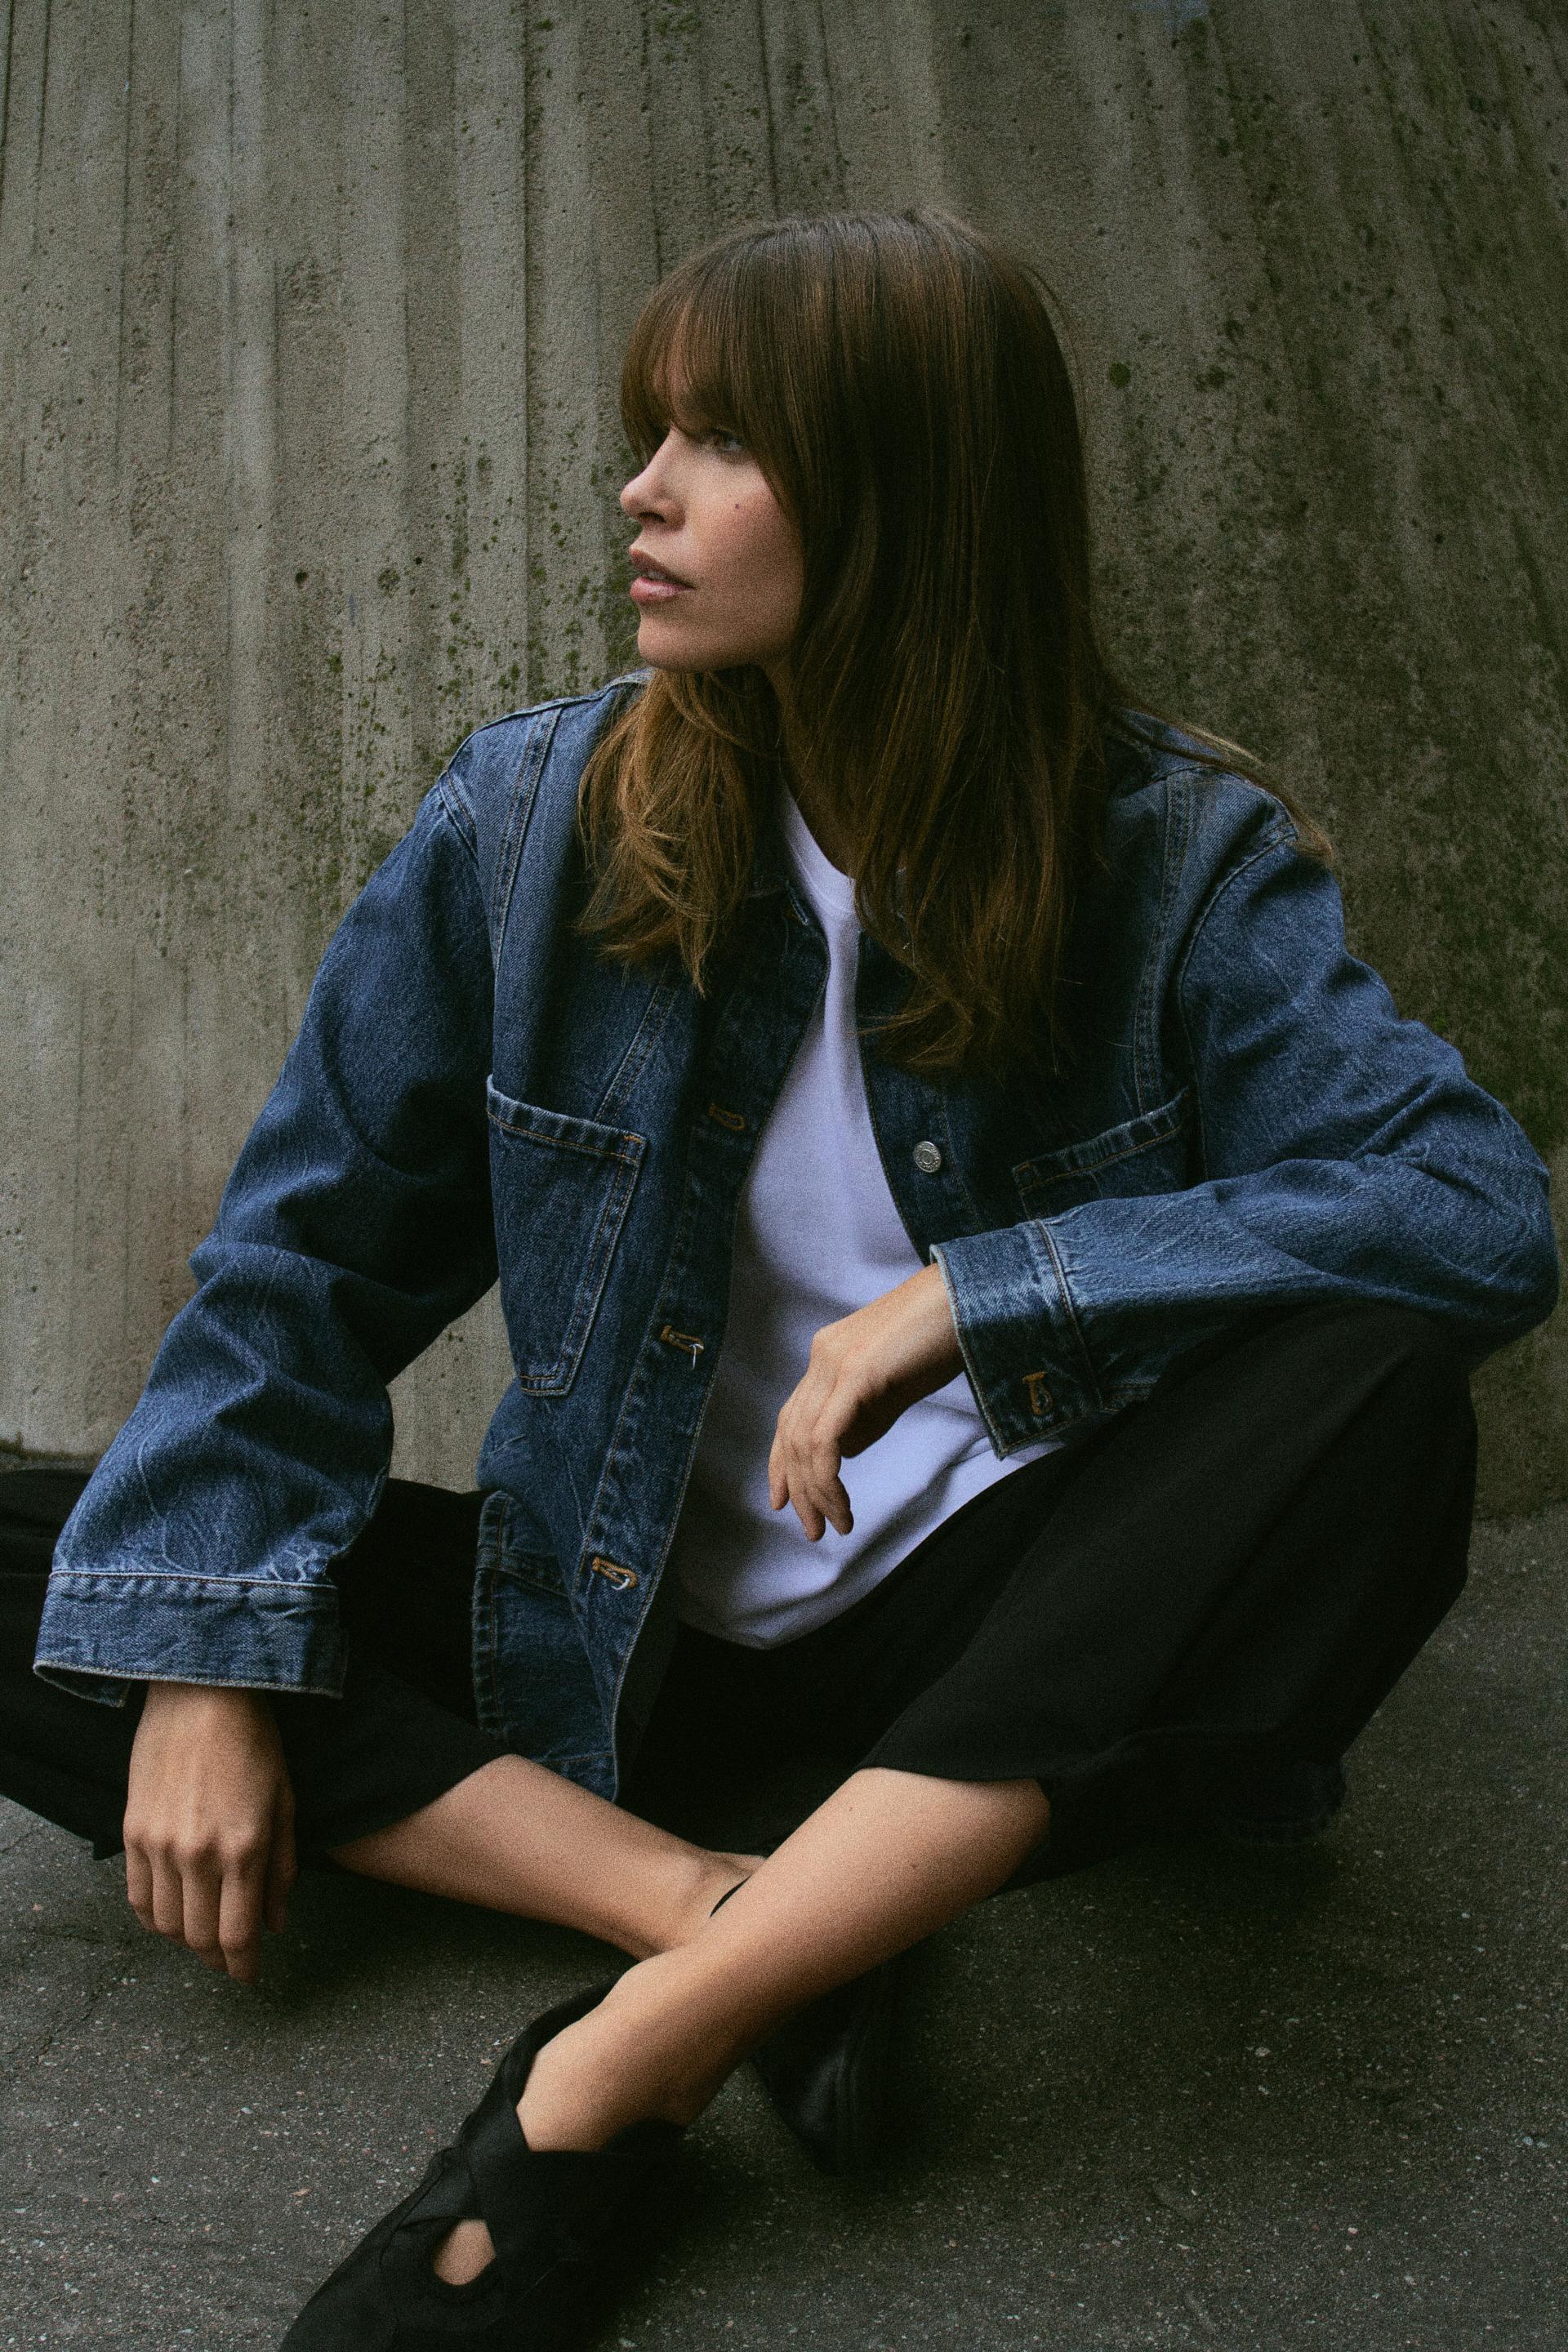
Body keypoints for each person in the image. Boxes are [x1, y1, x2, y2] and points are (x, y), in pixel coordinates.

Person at [2, 208, 1557, 2350]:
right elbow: (300, 1268)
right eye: (652, 431)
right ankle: (735, 1911)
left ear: (911, 499)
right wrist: (200, 1659)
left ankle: (620, 2063)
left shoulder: (1169, 857)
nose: (640, 492)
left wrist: (989, 1293)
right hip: (609, 1628)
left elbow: (1472, 1207)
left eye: (721, 443)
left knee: (1381, 1389)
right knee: (65, 1553)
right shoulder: (524, 825)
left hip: (1000, 1631)